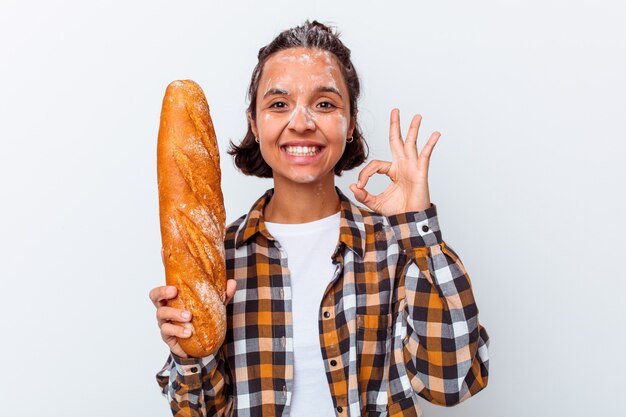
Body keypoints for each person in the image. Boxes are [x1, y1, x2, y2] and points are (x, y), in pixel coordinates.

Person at [149, 20, 489, 417]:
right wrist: (190, 353)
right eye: (279, 104)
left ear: (350, 123)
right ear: (255, 124)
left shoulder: (395, 245)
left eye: (325, 104)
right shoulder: (220, 256)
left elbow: (451, 382)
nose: (301, 121)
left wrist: (417, 226)